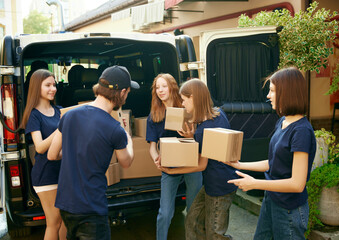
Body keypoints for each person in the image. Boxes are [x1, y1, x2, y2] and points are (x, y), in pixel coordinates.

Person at [48, 65, 139, 240]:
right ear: (121, 92)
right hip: (91, 208)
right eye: (127, 92)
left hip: (66, 204)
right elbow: (126, 163)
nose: (127, 96)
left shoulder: (69, 116)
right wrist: (129, 142)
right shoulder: (115, 129)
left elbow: (52, 155)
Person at [227, 67, 316, 240]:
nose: (268, 95)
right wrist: (240, 165)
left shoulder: (301, 131)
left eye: (273, 90)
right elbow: (274, 162)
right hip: (272, 201)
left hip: (289, 209)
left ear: (287, 92)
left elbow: (297, 184)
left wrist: (255, 184)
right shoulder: (282, 121)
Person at [161, 79, 238, 240]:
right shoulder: (217, 113)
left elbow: (201, 165)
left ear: (194, 98)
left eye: (183, 100)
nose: (182, 104)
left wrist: (172, 170)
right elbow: (210, 147)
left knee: (215, 234)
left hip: (219, 187)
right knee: (193, 221)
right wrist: (192, 136)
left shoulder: (205, 128)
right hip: (213, 183)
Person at [146, 74, 203, 240]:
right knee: (165, 213)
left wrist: (191, 135)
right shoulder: (154, 116)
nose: (160, 90)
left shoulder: (187, 109)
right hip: (169, 167)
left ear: (172, 87)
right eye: (157, 88)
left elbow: (198, 139)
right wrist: (157, 159)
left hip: (192, 164)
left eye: (164, 86)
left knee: (193, 209)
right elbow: (152, 147)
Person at [20, 69, 66, 240]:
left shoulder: (61, 111)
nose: (53, 88)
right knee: (53, 222)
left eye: (54, 85)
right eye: (47, 85)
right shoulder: (34, 115)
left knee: (65, 220)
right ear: (36, 88)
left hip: (63, 172)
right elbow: (39, 147)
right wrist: (60, 128)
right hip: (45, 175)